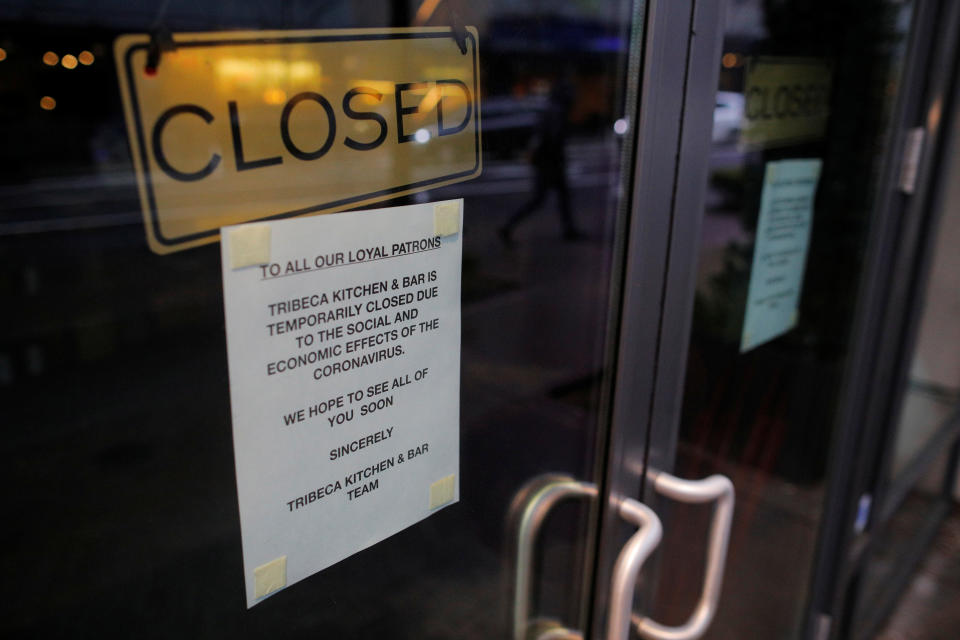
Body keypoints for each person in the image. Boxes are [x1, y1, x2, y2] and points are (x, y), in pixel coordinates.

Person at [499, 80, 584, 245]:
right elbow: (553, 137)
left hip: (547, 161)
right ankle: (507, 227)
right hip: (550, 162)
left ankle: (568, 229)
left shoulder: (550, 109)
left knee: (556, 197)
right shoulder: (556, 111)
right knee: (542, 199)